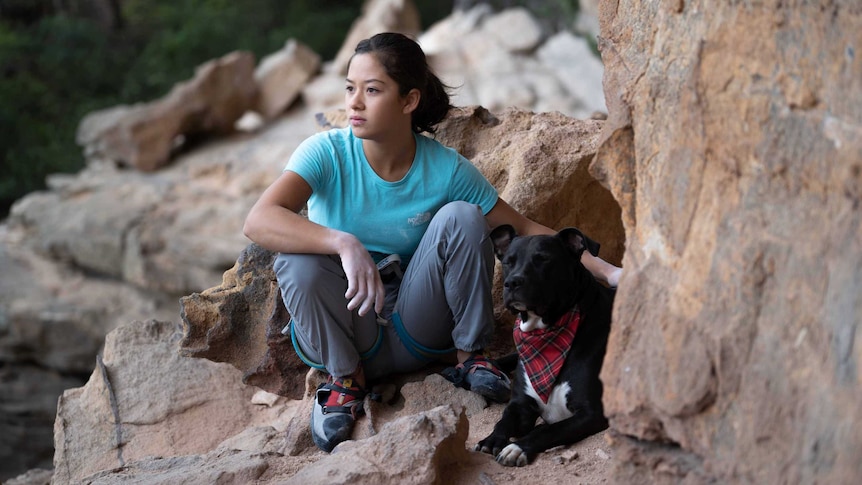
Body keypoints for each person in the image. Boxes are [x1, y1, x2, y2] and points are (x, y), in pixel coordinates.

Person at [243, 32, 622, 453]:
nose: (354, 102)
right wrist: (342, 242)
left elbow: (524, 227)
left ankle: (470, 359)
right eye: (350, 88)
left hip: (415, 330)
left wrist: (606, 270)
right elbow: (259, 220)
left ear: (409, 101)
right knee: (298, 261)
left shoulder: (444, 168)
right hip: (349, 332)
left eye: (372, 90)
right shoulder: (326, 153)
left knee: (463, 215)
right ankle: (345, 384)